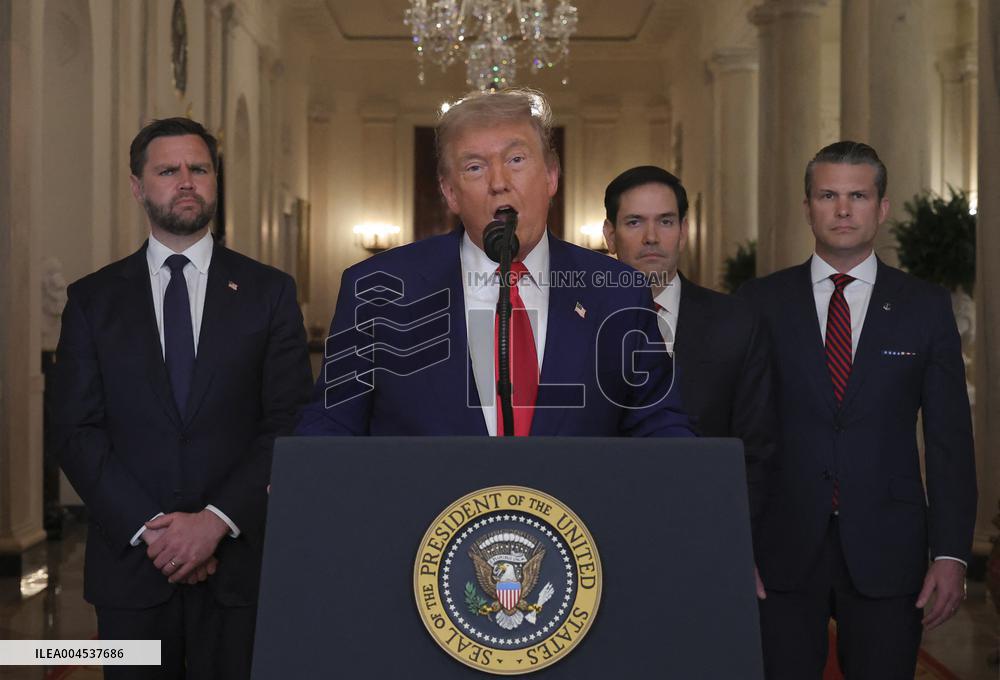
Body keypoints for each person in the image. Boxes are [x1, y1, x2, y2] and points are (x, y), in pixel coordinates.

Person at [50, 117, 314, 679]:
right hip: (131, 569)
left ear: (216, 180)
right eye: (168, 170)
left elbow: (289, 420)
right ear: (138, 186)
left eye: (199, 169)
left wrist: (215, 521)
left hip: (242, 568)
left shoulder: (269, 292)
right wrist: (156, 530)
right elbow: (75, 430)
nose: (186, 181)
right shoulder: (93, 300)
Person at [295, 89, 693, 437]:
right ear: (451, 193)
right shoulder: (377, 288)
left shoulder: (619, 291)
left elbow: (657, 425)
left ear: (551, 176)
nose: (498, 181)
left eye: (516, 159)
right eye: (474, 167)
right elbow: (332, 422)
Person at [739, 141, 977, 679]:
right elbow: (741, 434)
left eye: (858, 196)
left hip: (890, 551)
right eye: (828, 195)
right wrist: (734, 542)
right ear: (808, 208)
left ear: (881, 208)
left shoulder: (925, 306)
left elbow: (948, 440)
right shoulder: (760, 303)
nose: (843, 210)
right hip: (780, 549)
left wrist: (952, 553)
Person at [602, 166, 775, 595]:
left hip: (708, 540)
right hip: (599, 543)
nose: (651, 238)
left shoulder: (736, 322)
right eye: (634, 222)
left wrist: (735, 542)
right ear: (610, 234)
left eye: (665, 221)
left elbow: (758, 448)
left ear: (683, 230)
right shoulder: (575, 324)